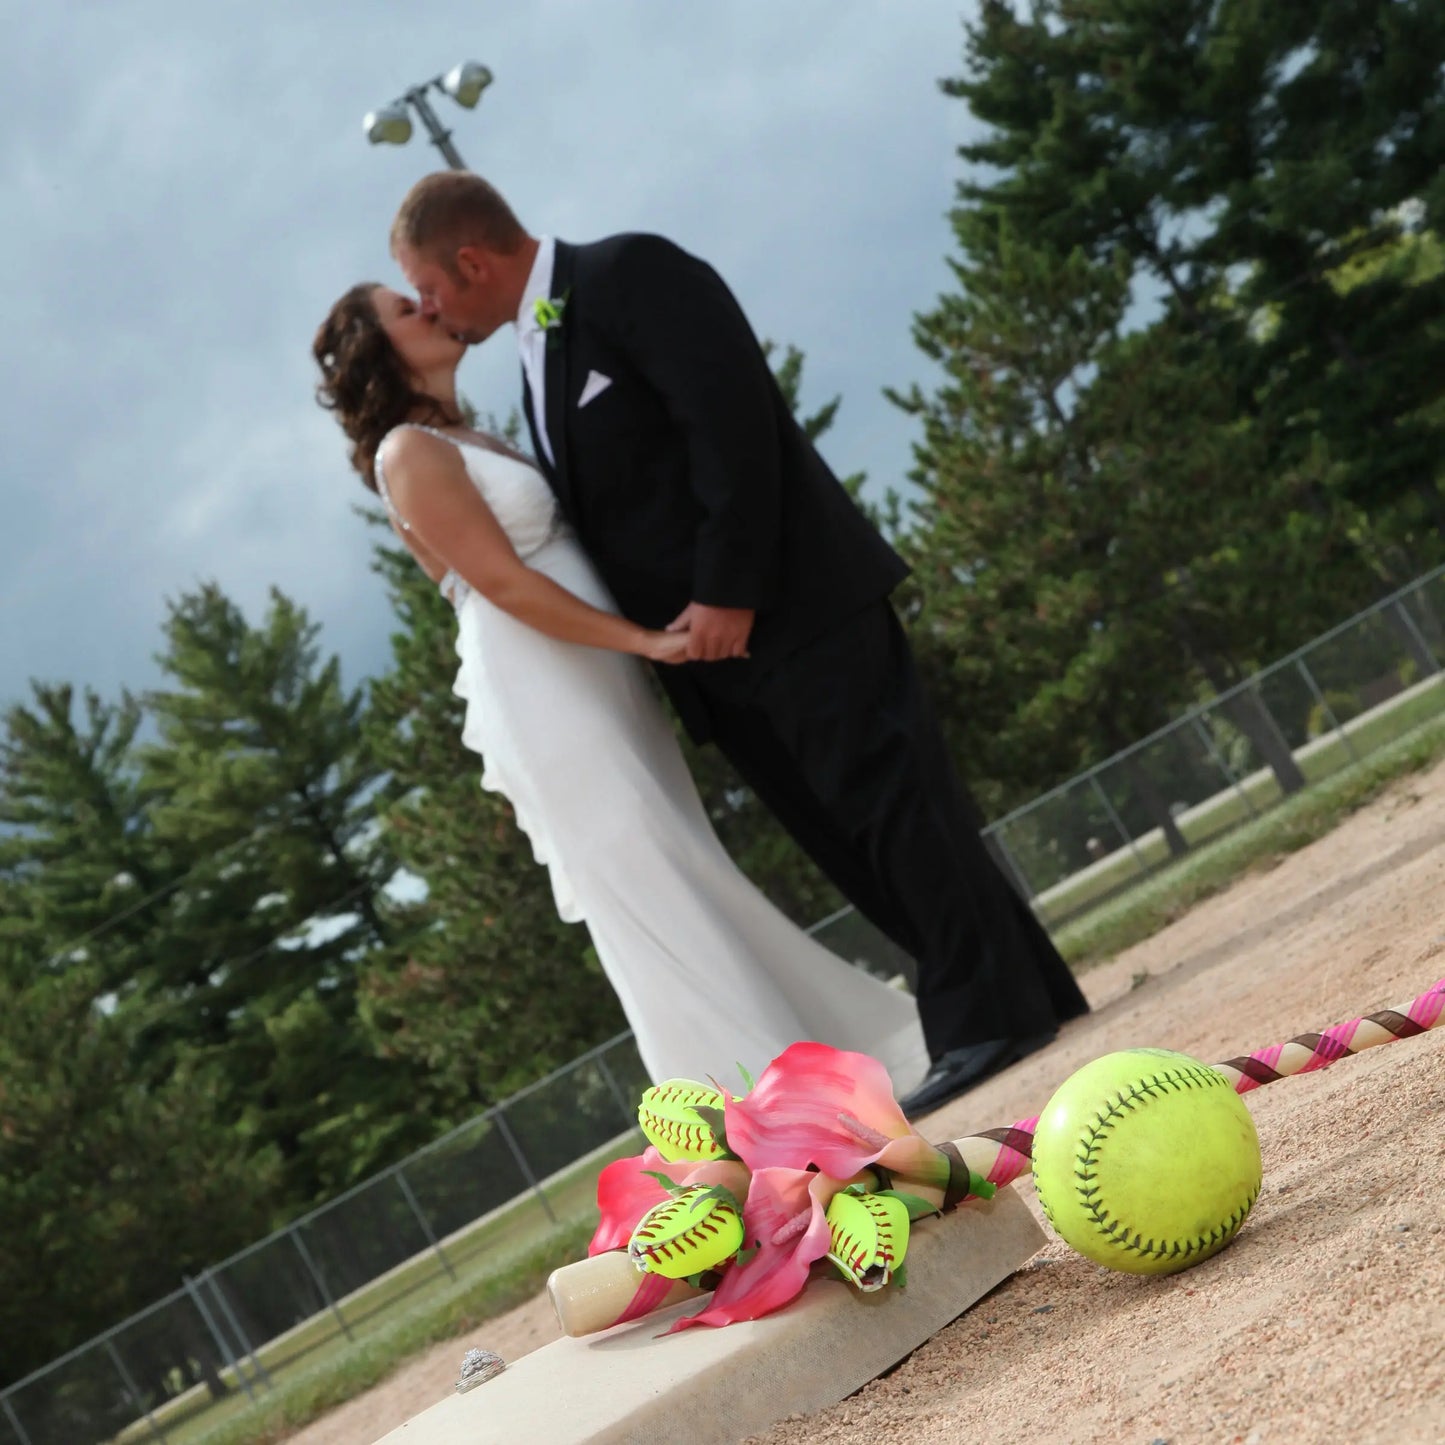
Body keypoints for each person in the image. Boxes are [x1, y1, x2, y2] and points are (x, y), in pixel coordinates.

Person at [389, 171, 1091, 1117]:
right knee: (847, 831)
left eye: (425, 287)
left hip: (792, 605)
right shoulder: (533, 351)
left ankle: (979, 1020)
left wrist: (727, 592)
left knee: (894, 804)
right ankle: (1026, 991)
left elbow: (731, 427)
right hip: (714, 664)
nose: (430, 308)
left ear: (470, 261)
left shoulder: (632, 273)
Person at [313, 282, 931, 1095]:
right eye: (404, 309)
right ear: (376, 350)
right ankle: (763, 1104)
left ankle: (810, 1072)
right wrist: (642, 639)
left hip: (596, 679)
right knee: (647, 880)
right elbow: (502, 584)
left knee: (682, 857)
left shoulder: (469, 435)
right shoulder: (408, 452)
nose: (428, 308)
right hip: (545, 689)